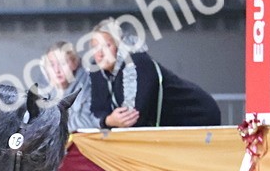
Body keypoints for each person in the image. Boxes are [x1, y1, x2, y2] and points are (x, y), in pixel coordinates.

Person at [87, 18, 221, 128]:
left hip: (197, 114)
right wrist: (108, 120)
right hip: (168, 126)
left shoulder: (136, 63)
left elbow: (133, 118)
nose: (100, 53)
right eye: (95, 47)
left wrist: (108, 121)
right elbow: (96, 111)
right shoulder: (98, 70)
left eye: (107, 45)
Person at [40, 41, 98, 132]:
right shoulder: (43, 92)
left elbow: (89, 122)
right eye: (52, 65)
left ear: (74, 63)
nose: (57, 70)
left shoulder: (90, 85)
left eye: (62, 63)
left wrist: (52, 127)